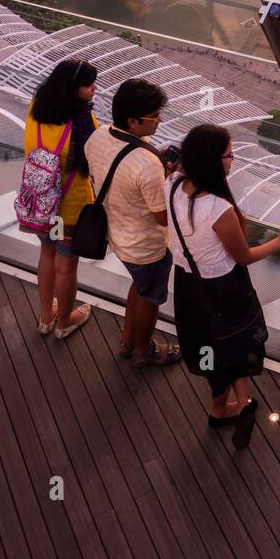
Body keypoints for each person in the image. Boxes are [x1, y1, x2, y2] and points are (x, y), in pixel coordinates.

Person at [166, 123, 280, 447]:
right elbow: (243, 256)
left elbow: (163, 218)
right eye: (230, 154)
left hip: (188, 286)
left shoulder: (172, 184)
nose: (233, 160)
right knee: (235, 340)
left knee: (213, 344)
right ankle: (229, 409)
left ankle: (233, 408)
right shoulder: (219, 208)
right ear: (214, 161)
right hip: (224, 288)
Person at [85, 78, 181, 368]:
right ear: (133, 120)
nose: (159, 119)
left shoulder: (99, 136)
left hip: (118, 235)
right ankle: (144, 351)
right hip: (146, 246)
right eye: (154, 116)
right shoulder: (147, 164)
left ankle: (128, 340)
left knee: (139, 287)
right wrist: (169, 177)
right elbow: (162, 217)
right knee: (150, 299)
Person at [24, 59, 98, 338]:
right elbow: (91, 160)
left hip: (40, 202)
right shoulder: (82, 121)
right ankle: (64, 322)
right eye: (88, 85)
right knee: (66, 265)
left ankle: (46, 317)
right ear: (73, 88)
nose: (94, 89)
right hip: (68, 207)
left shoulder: (36, 108)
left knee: (46, 252)